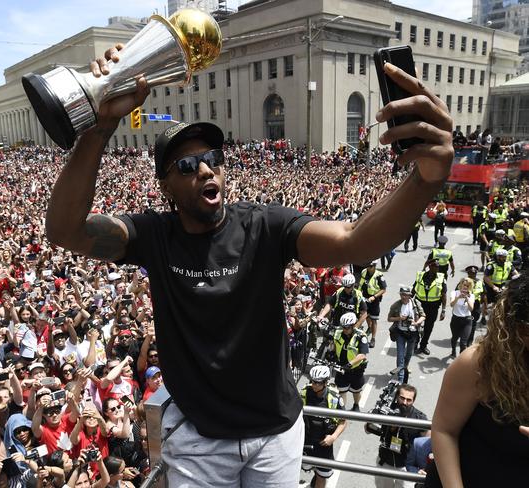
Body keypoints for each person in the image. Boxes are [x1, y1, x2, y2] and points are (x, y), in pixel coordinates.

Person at [44, 44, 454, 486]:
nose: (205, 170)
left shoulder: (264, 225)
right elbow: (67, 231)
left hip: (273, 437)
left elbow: (354, 241)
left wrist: (425, 179)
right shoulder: (154, 236)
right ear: (165, 186)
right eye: (187, 164)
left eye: (213, 159)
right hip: (200, 442)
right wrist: (101, 126)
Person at [424, 270, 529, 488]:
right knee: (458, 339)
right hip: (467, 479)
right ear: (516, 329)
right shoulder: (478, 363)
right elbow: (443, 430)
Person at [369, 384, 429, 488]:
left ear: (413, 401)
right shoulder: (386, 410)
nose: (405, 402)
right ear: (397, 397)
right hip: (385, 461)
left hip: (407, 466)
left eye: (409, 400)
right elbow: (368, 428)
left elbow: (429, 443)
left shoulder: (419, 419)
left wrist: (425, 467)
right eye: (402, 398)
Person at [301, 365, 347, 488]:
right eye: (313, 381)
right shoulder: (304, 393)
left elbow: (343, 421)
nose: (314, 385)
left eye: (318, 382)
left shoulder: (334, 398)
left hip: (324, 445)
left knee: (322, 475)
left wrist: (333, 437)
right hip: (305, 441)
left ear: (326, 382)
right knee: (300, 468)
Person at [388, 286, 425, 383]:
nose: (404, 297)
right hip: (400, 333)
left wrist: (416, 323)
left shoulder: (416, 303)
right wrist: (399, 318)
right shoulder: (395, 305)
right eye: (402, 295)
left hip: (413, 333)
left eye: (406, 295)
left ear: (410, 295)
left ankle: (404, 367)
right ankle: (401, 379)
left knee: (409, 354)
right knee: (400, 355)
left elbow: (423, 316)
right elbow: (389, 318)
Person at [332, 312, 368, 411]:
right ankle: (342, 410)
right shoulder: (338, 332)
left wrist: (350, 364)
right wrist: (331, 353)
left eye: (347, 328)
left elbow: (362, 355)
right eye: (343, 327)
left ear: (353, 326)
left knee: (356, 391)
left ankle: (356, 405)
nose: (344, 329)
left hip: (355, 369)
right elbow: (334, 343)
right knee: (341, 391)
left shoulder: (361, 336)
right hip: (341, 367)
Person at [412, 258, 447, 356]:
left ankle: (423, 346)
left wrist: (443, 310)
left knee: (429, 327)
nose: (437, 268)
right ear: (430, 267)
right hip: (419, 305)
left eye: (438, 267)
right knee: (416, 325)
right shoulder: (420, 276)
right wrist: (408, 302)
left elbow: (444, 295)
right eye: (435, 266)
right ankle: (415, 342)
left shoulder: (441, 278)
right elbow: (413, 290)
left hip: (433, 307)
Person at [359, 261, 387, 348]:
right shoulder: (364, 272)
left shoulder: (379, 275)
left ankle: (373, 339)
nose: (368, 267)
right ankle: (369, 327)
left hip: (374, 299)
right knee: (365, 316)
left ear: (374, 266)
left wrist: (374, 297)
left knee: (374, 319)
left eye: (370, 266)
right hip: (364, 297)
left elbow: (383, 289)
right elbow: (361, 284)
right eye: (367, 265)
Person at [448, 278, 475, 359]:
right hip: (456, 319)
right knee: (455, 338)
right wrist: (458, 297)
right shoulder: (454, 293)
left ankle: (461, 360)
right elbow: (452, 304)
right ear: (461, 285)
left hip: (467, 320)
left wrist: (467, 298)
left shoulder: (471, 295)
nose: (465, 287)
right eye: (464, 285)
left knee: (463, 342)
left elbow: (471, 309)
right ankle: (453, 351)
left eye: (467, 286)